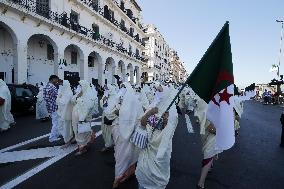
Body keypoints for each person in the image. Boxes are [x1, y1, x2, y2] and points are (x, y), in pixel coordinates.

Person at [135, 85, 178, 189]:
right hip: (147, 145)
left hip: (159, 148)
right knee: (143, 170)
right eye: (157, 91)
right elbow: (142, 122)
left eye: (160, 91)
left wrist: (166, 122)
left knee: (157, 175)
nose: (157, 93)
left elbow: (169, 131)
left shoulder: (171, 111)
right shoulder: (152, 106)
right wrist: (150, 113)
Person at [104, 82, 143, 188]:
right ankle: (129, 172)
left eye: (124, 87)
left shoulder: (134, 101)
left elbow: (138, 117)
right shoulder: (118, 99)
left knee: (124, 155)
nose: (121, 89)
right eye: (121, 87)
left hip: (128, 134)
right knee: (119, 154)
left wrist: (120, 113)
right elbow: (108, 112)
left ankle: (117, 177)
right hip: (117, 131)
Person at [195, 98, 223, 189]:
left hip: (216, 132)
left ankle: (201, 182)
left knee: (208, 152)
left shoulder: (225, 99)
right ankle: (211, 162)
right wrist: (207, 122)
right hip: (205, 130)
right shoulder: (204, 98)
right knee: (207, 150)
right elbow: (199, 112)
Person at [71, 80, 96, 155]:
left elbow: (88, 108)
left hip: (82, 118)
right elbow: (72, 101)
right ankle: (85, 145)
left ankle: (82, 149)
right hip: (76, 117)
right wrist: (77, 95)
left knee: (82, 133)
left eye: (80, 86)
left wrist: (82, 118)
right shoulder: (79, 94)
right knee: (79, 132)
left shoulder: (88, 96)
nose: (79, 87)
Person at [43, 75, 60, 142]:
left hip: (49, 106)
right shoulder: (52, 87)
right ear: (53, 79)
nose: (57, 81)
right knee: (56, 122)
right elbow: (57, 96)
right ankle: (52, 137)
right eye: (56, 79)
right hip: (54, 106)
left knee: (55, 121)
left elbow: (45, 97)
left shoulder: (46, 86)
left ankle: (56, 134)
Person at [57, 80, 74, 145]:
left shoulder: (69, 93)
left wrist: (58, 99)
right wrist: (59, 98)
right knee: (63, 127)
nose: (61, 86)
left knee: (67, 128)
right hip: (62, 112)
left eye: (62, 84)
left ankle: (67, 140)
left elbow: (63, 102)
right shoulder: (63, 92)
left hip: (66, 113)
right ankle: (67, 139)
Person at [100, 84, 116, 152]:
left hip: (111, 117)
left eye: (107, 89)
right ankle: (108, 144)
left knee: (111, 132)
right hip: (105, 115)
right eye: (105, 89)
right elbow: (102, 106)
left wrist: (110, 115)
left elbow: (115, 107)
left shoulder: (115, 97)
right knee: (104, 131)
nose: (106, 91)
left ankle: (110, 144)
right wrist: (104, 99)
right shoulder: (105, 96)